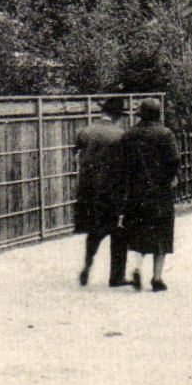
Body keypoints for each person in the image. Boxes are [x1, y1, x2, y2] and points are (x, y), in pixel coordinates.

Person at [120, 98, 179, 292]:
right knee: (161, 234)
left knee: (137, 233)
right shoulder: (165, 134)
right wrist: (170, 178)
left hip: (136, 193)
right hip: (160, 193)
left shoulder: (129, 135)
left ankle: (136, 268)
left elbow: (122, 163)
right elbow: (174, 160)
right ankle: (157, 278)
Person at [74, 95, 130, 287]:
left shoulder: (85, 131)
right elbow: (124, 165)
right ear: (117, 116)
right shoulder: (120, 135)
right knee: (118, 232)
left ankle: (88, 264)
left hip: (88, 190)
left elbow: (76, 153)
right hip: (111, 190)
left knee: (94, 230)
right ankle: (117, 276)